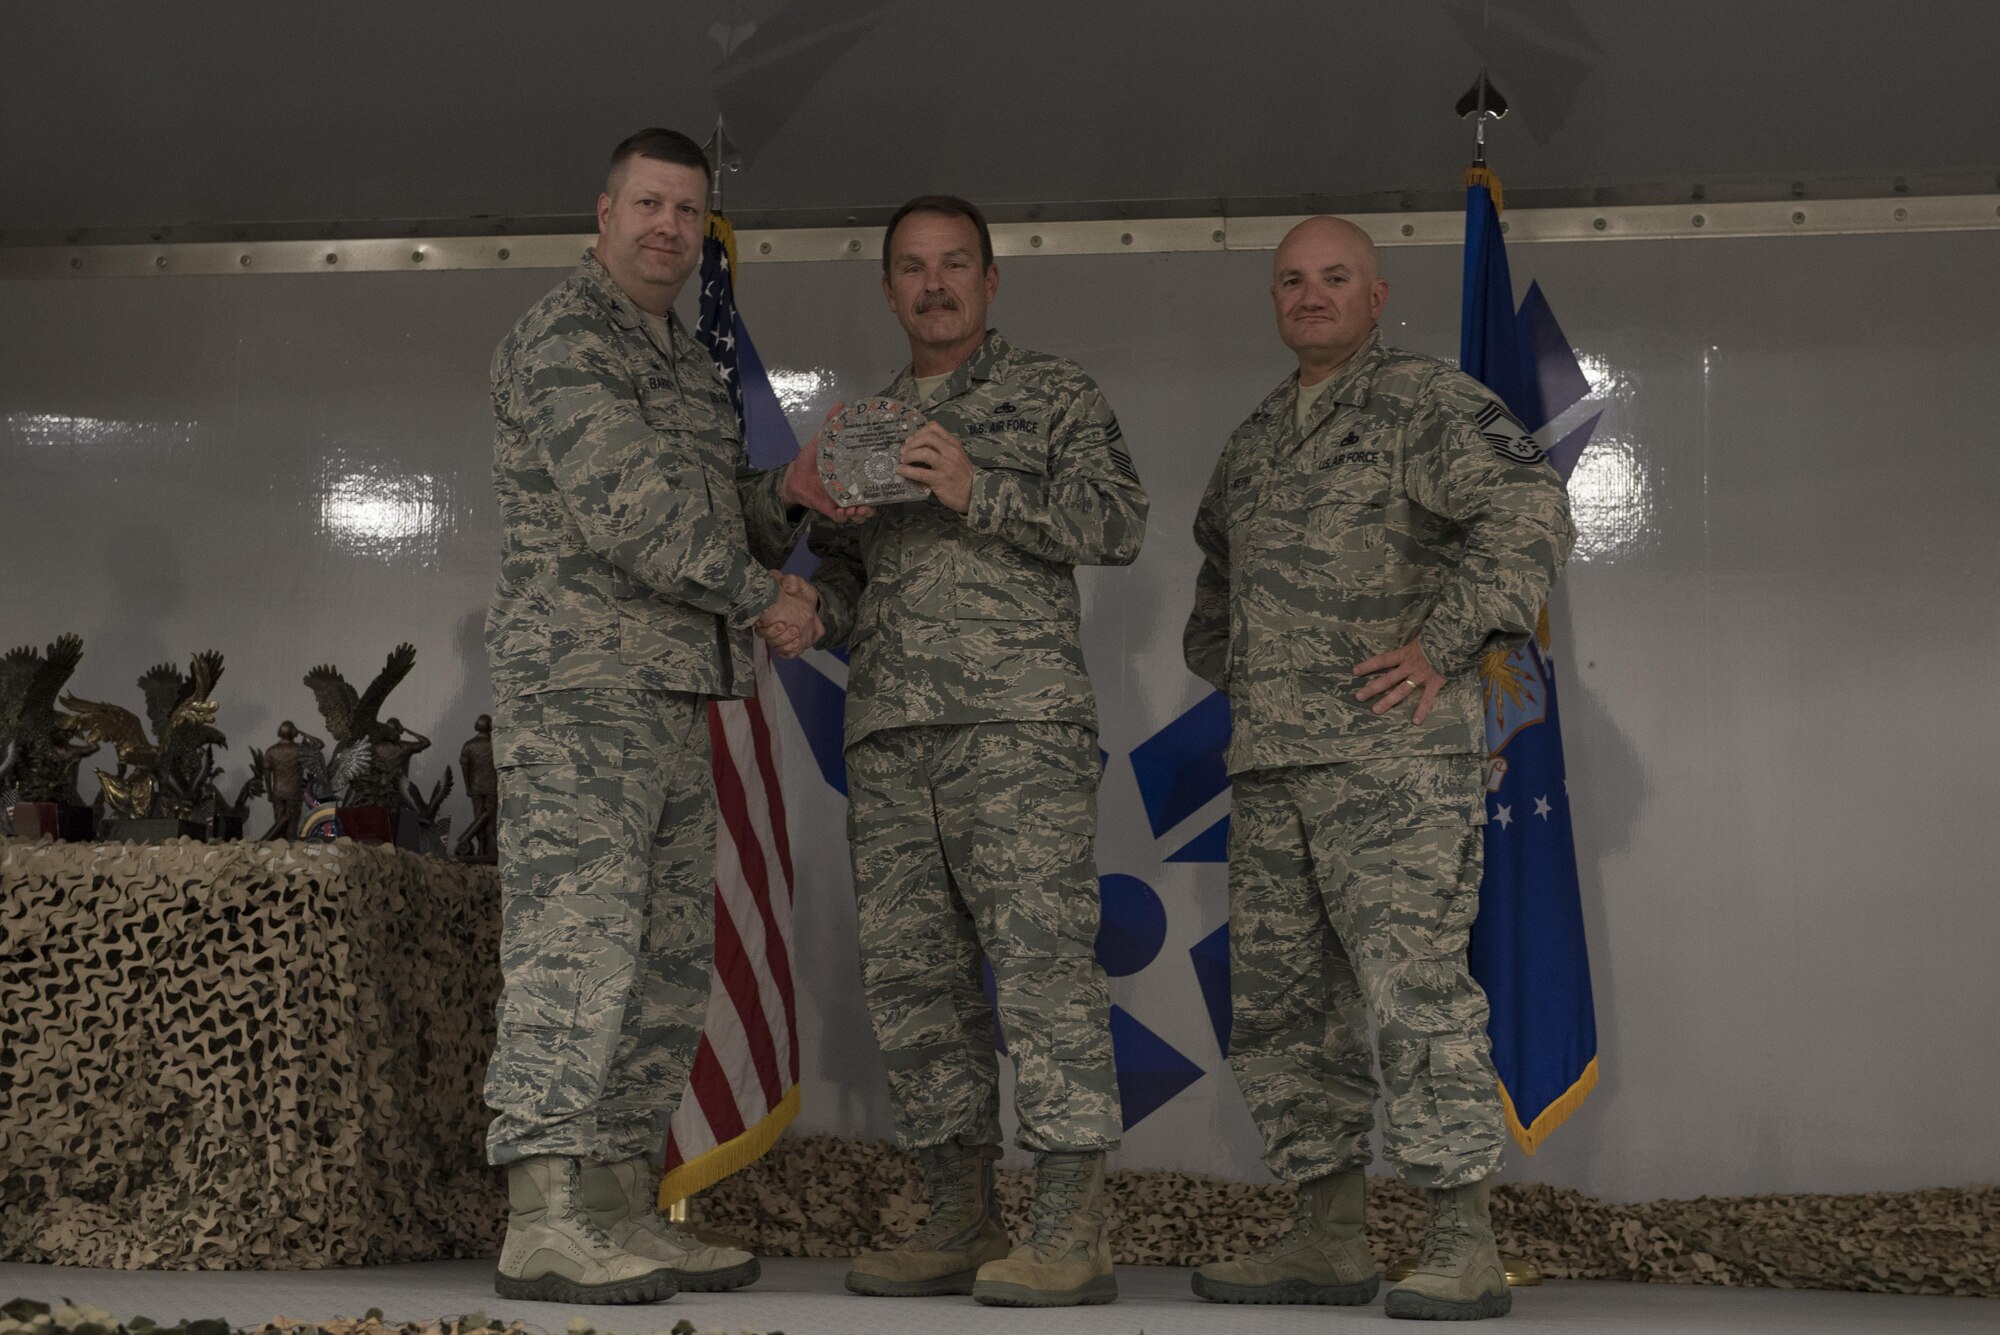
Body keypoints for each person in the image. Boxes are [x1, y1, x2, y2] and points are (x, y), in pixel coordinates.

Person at [482, 126, 850, 1305]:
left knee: (660, 965)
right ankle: (539, 1217)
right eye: (647, 205)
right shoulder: (563, 341)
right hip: (584, 693)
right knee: (574, 950)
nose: (667, 229)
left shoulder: (688, 359)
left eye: (687, 212)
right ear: (601, 215)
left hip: (679, 689)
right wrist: (769, 599)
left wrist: (780, 495)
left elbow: (703, 512)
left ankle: (613, 1205)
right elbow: (634, 516)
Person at [1183, 216, 1575, 1322]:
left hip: (1392, 766)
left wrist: (1440, 648)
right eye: (1291, 281)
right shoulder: (1256, 437)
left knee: (1413, 997)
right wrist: (1262, 683)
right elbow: (1216, 584)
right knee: (1280, 1010)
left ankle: (1459, 1240)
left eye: (1333, 279)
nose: (1310, 297)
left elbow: (1529, 506)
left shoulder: (1423, 403)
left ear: (1376, 295)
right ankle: (1326, 1234)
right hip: (1271, 772)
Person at [803, 195, 1148, 1308]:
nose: (934, 284)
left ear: (991, 281)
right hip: (892, 736)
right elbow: (852, 585)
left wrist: (974, 485)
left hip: (1016, 728)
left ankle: (1070, 1228)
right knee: (915, 986)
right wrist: (813, 611)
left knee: (1043, 970)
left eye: (954, 265)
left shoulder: (1050, 392)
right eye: (912, 268)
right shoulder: (861, 424)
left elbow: (1118, 521)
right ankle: (957, 1216)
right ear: (889, 288)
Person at [258, 721, 314, 840]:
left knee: (279, 826)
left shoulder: (271, 751)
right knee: (291, 829)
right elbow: (319, 745)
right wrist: (302, 733)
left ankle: (273, 848)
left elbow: (267, 773)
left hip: (278, 792)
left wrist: (269, 792)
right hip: (294, 793)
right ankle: (288, 852)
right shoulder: (300, 750)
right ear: (293, 732)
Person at [455, 714, 497, 861]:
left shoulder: (468, 745)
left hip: (476, 788)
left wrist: (468, 787)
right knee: (491, 821)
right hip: (492, 788)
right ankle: (492, 851)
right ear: (490, 726)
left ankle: (481, 849)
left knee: (478, 819)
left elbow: (464, 767)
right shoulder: (496, 744)